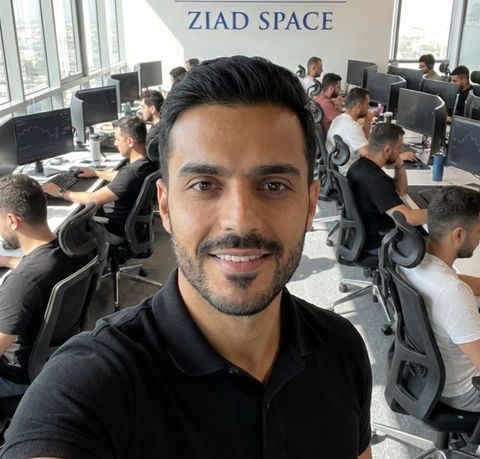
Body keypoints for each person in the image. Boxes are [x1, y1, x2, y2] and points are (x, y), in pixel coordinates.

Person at [1, 56, 373, 459]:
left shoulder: (344, 349)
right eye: (204, 185)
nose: (239, 221)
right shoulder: (89, 384)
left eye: (273, 185)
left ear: (311, 205)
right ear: (165, 206)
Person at [0, 175, 90, 397]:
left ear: (12, 220)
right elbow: (36, 270)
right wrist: (7, 261)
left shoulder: (21, 283)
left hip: (17, 377)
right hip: (57, 357)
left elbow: (26, 283)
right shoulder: (72, 248)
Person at [400, 186, 480, 412]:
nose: (479, 239)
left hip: (427, 374)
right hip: (463, 391)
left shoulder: (412, 258)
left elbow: (456, 281)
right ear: (459, 235)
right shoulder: (453, 292)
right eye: (479, 231)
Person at [43, 116, 156, 238]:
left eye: (117, 139)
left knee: (67, 228)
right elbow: (121, 177)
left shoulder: (131, 173)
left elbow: (92, 199)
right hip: (134, 227)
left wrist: (60, 192)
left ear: (130, 142)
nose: (115, 143)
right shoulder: (147, 163)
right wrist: (96, 173)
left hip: (114, 229)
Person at [347, 123, 427, 252]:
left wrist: (399, 165)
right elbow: (407, 218)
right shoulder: (377, 181)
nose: (400, 151)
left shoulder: (359, 166)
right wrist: (439, 214)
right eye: (399, 147)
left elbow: (401, 190)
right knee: (434, 235)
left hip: (362, 236)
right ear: (387, 150)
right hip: (379, 241)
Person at [326, 87, 372, 169]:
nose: (369, 107)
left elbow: (362, 142)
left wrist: (367, 123)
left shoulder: (339, 118)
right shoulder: (352, 126)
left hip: (336, 168)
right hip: (350, 171)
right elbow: (368, 156)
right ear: (358, 106)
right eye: (367, 104)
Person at [139, 89, 164, 162]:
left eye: (143, 107)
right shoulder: (165, 125)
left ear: (152, 109)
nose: (141, 111)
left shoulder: (152, 135)